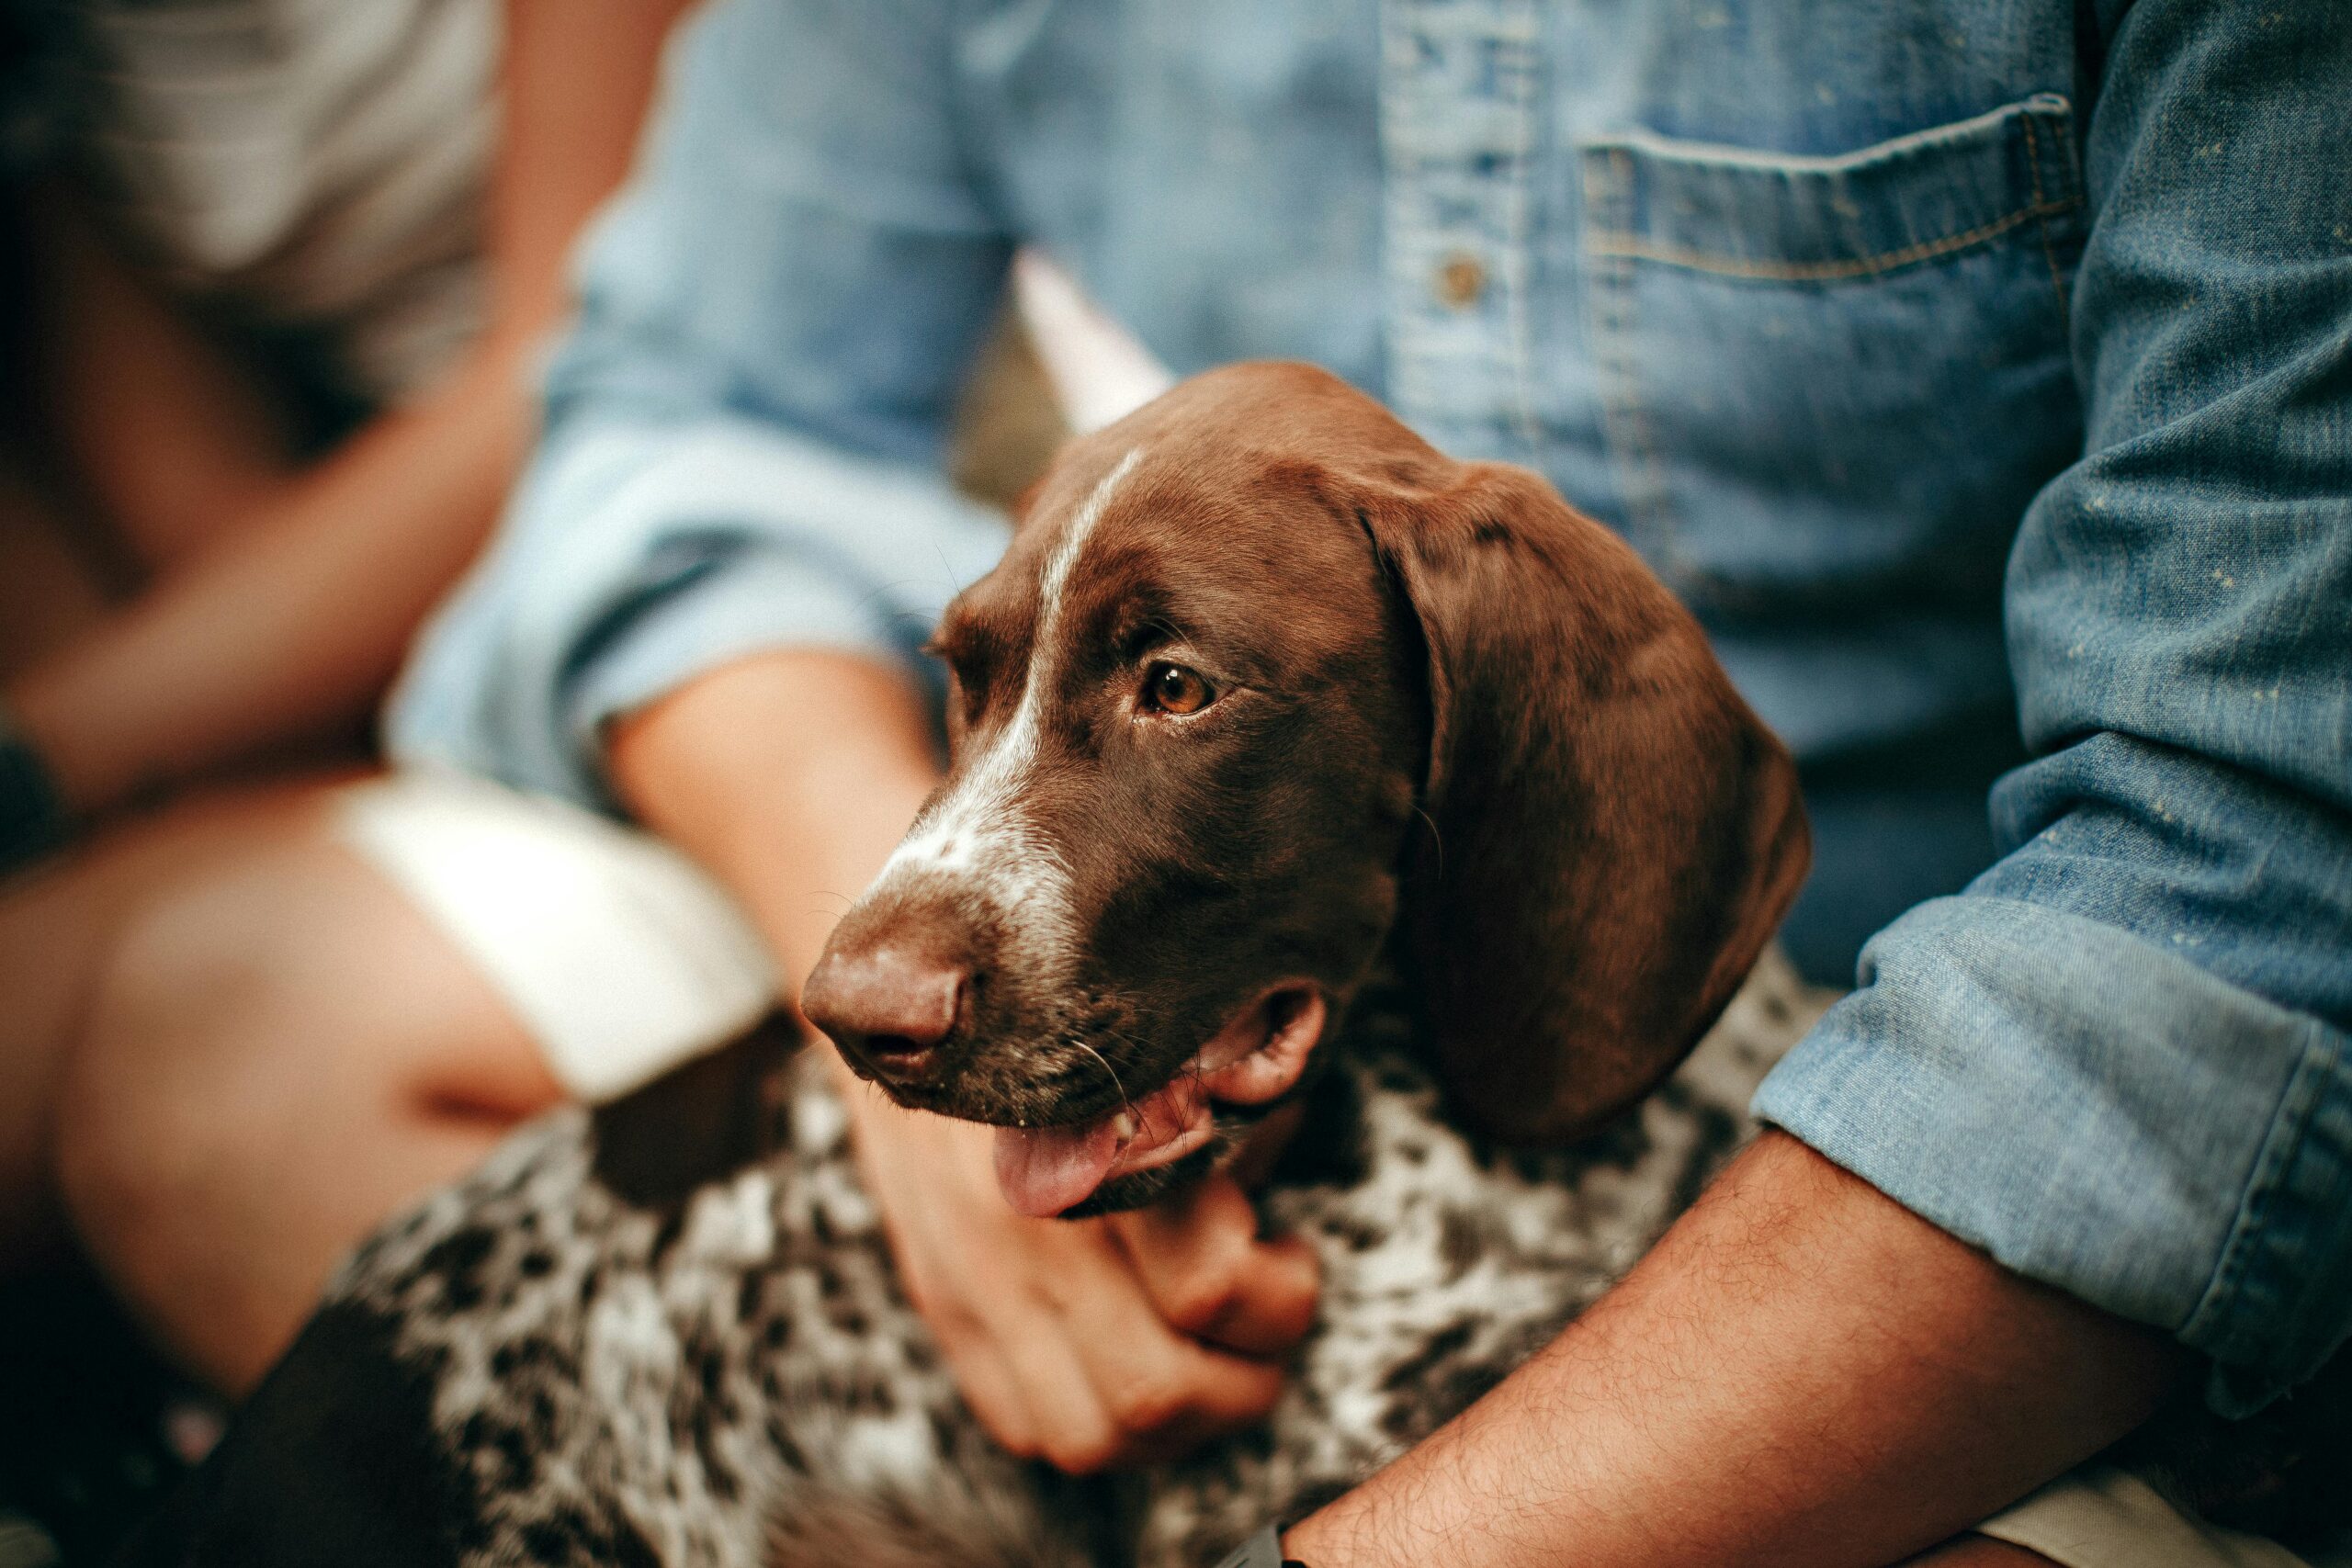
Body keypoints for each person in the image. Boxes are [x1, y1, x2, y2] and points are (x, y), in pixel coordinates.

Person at [17, 1, 2352, 1564]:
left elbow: (2249, 885)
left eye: (1159, 681)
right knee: (222, 1028)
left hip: (1917, 1114)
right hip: (1198, 1010)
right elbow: (677, 422)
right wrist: (899, 1020)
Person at [0, 0, 688, 1374]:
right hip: (380, 677)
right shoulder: (68, 60)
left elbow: (590, 366)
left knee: (191, 1085)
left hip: (662, 562)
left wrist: (32, 762)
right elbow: (211, 546)